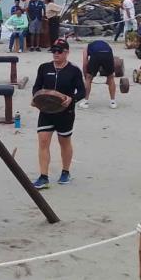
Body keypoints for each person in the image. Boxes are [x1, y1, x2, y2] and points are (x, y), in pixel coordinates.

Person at [31, 39, 86, 189]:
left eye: (59, 51)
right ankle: (43, 177)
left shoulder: (74, 70)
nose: (55, 54)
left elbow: (82, 91)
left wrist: (71, 99)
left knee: (64, 142)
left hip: (65, 112)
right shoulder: (44, 68)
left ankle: (65, 172)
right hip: (46, 111)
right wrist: (36, 98)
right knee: (43, 141)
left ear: (67, 52)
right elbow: (36, 86)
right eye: (53, 51)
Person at [78, 40, 117, 109]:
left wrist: (86, 76)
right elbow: (112, 61)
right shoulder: (107, 46)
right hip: (108, 54)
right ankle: (113, 102)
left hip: (96, 55)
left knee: (89, 78)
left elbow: (85, 63)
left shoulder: (86, 47)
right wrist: (109, 77)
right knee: (111, 78)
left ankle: (85, 102)